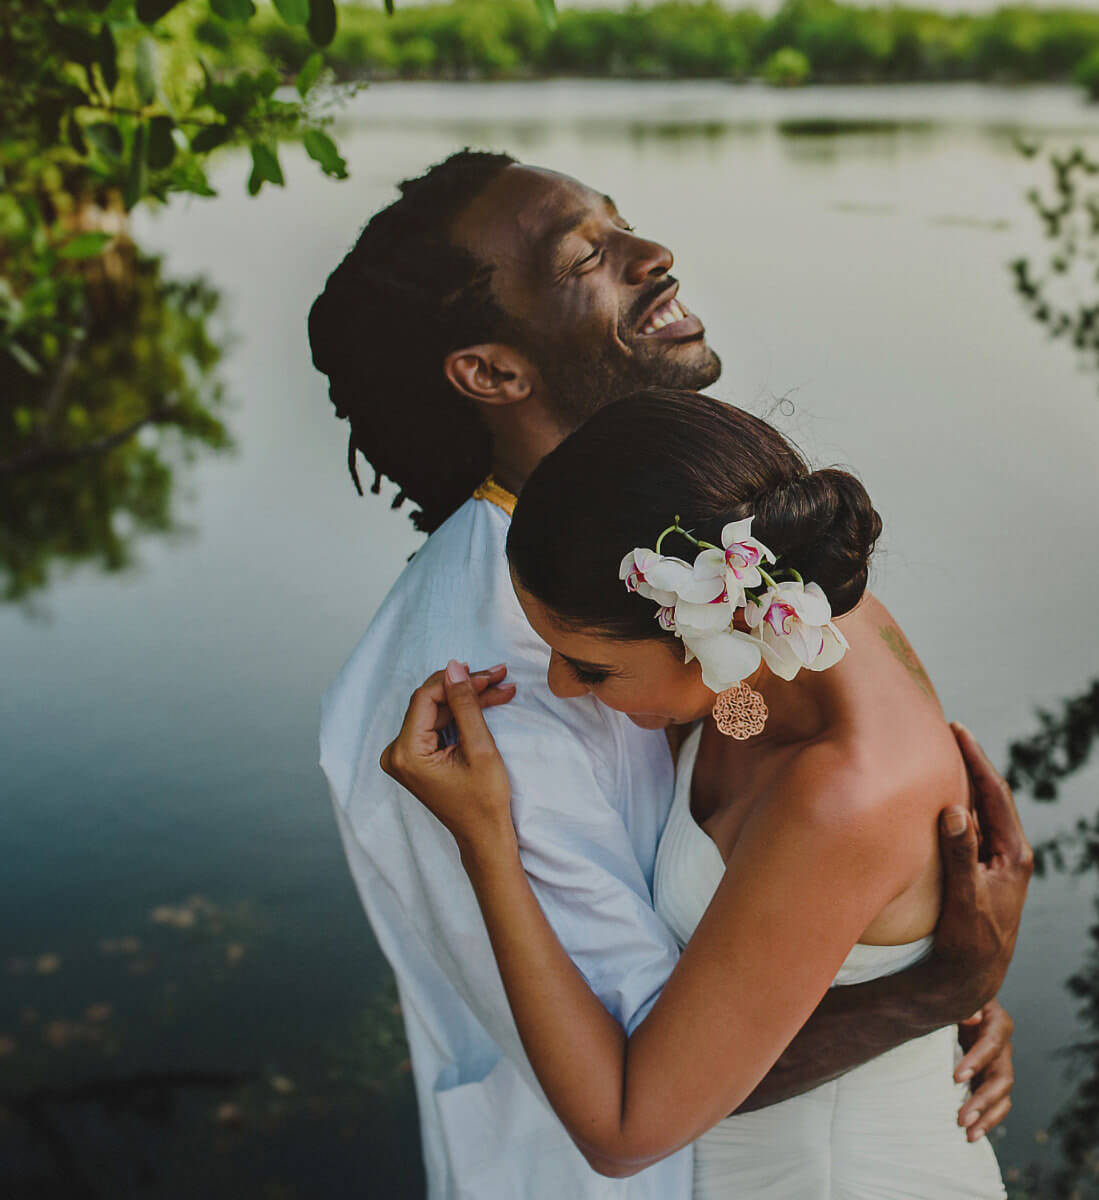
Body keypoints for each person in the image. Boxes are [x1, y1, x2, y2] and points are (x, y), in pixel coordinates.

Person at [311, 150, 1029, 1198]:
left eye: (621, 222)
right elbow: (640, 1072)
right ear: (492, 373)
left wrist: (917, 974)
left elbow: (844, 871)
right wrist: (924, 989)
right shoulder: (483, 680)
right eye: (584, 257)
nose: (654, 254)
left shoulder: (724, 579)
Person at [383, 391, 1021, 1196]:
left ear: (708, 626)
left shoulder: (839, 797)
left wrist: (485, 840)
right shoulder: (789, 621)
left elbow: (624, 1131)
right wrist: (933, 992)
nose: (561, 686)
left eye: (591, 668)